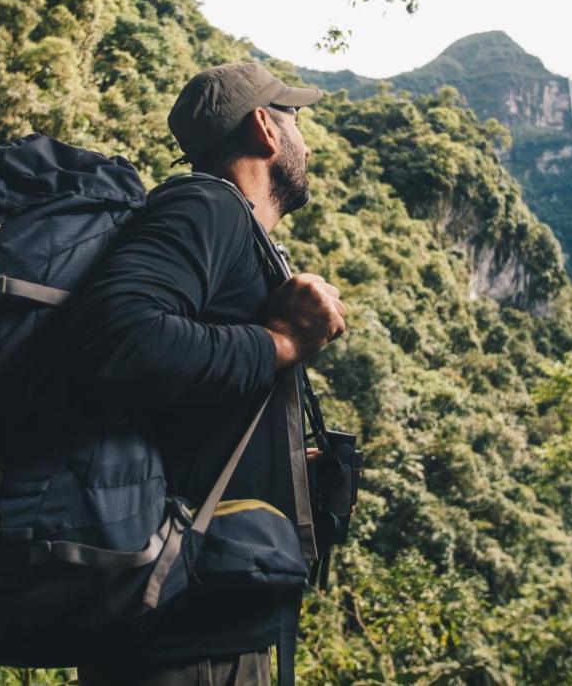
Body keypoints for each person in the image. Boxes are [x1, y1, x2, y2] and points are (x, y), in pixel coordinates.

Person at [65, 62, 349, 685]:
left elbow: (175, 394)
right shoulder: (206, 205)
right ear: (265, 131)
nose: (306, 140)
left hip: (201, 618)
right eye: (294, 119)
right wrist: (282, 341)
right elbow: (118, 337)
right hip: (181, 641)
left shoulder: (231, 233)